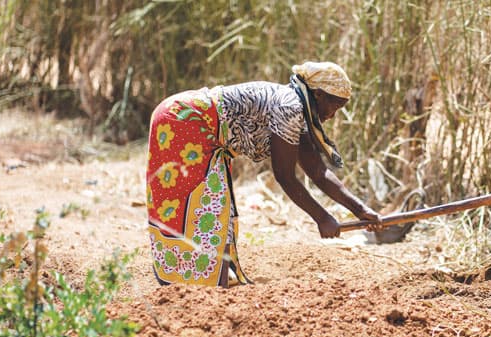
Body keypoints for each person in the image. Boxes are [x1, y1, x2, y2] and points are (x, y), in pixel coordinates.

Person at [146, 61, 382, 288]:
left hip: (189, 121)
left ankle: (207, 275)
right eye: (335, 106)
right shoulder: (289, 107)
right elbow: (284, 176)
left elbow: (317, 172)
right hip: (184, 120)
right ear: (318, 94)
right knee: (201, 200)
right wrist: (322, 218)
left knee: (213, 202)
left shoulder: (297, 110)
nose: (333, 115)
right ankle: (193, 279)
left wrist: (360, 209)